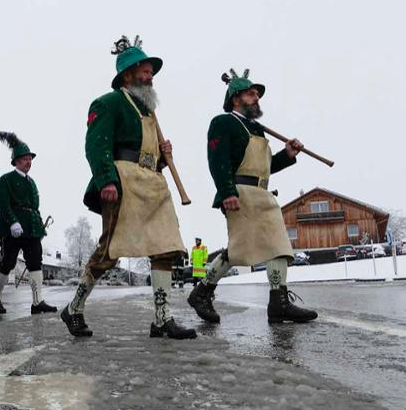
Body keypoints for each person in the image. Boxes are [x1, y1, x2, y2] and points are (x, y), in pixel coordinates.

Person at [62, 36, 196, 340]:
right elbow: (96, 147)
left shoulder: (150, 113)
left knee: (165, 247)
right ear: (127, 75)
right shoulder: (108, 103)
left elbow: (146, 155)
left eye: (151, 72)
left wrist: (162, 156)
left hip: (153, 184)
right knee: (110, 250)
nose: (150, 77)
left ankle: (162, 319)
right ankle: (74, 308)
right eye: (144, 71)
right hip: (122, 182)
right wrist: (106, 180)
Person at [188, 69, 317, 324]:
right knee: (238, 249)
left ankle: (278, 302)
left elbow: (264, 166)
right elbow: (218, 160)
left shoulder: (256, 130)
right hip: (240, 193)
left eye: (257, 94)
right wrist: (226, 192)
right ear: (236, 98)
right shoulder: (223, 123)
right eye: (251, 93)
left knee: (279, 246)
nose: (257, 97)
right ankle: (202, 292)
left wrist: (287, 154)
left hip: (263, 193)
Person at [0, 132, 57, 315]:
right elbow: (2, 203)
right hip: (13, 229)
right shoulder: (6, 179)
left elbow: (34, 208)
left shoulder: (32, 182)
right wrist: (12, 222)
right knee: (8, 263)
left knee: (36, 262)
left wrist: (39, 227)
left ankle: (37, 302)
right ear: (16, 161)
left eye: (30, 159)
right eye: (25, 159)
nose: (29, 162)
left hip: (31, 230)